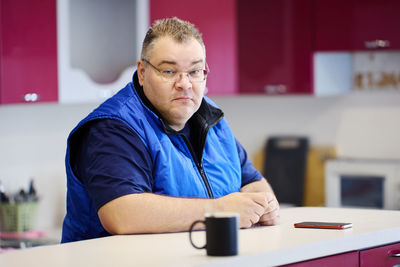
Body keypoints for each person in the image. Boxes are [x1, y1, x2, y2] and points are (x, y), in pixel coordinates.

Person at [61, 17, 280, 243]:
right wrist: (220, 210)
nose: (184, 83)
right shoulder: (112, 128)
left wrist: (265, 205)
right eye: (168, 71)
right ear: (142, 72)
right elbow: (122, 214)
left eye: (195, 71)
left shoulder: (211, 117)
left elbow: (252, 183)